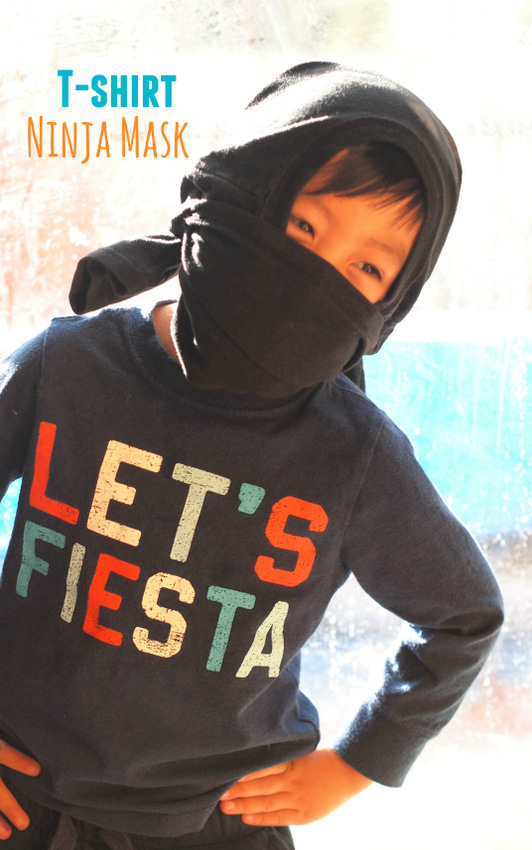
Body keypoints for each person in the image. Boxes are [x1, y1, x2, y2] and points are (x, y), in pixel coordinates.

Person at [0, 61, 503, 849]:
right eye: (303, 228)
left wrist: (357, 765)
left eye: (367, 268)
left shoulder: (353, 454)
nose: (315, 278)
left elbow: (463, 615)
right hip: (22, 806)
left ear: (390, 304)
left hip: (223, 827)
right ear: (236, 191)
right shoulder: (66, 366)